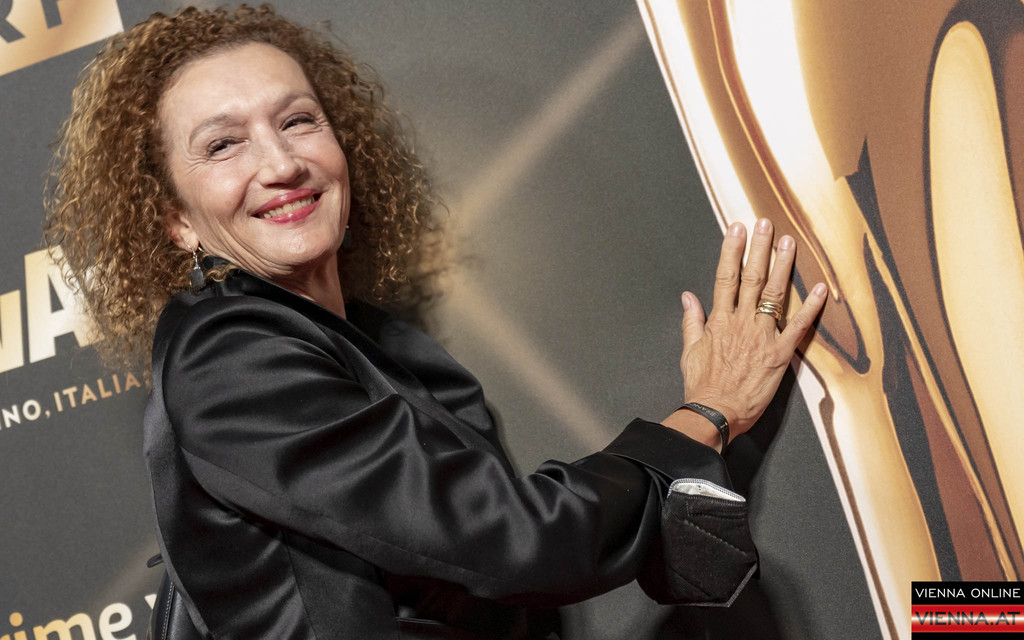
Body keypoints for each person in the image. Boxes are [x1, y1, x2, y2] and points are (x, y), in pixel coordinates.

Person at [44, 5, 828, 639]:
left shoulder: (375, 346)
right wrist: (705, 415)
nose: (280, 164)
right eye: (223, 145)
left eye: (299, 121)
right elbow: (518, 541)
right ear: (176, 219)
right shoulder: (227, 357)